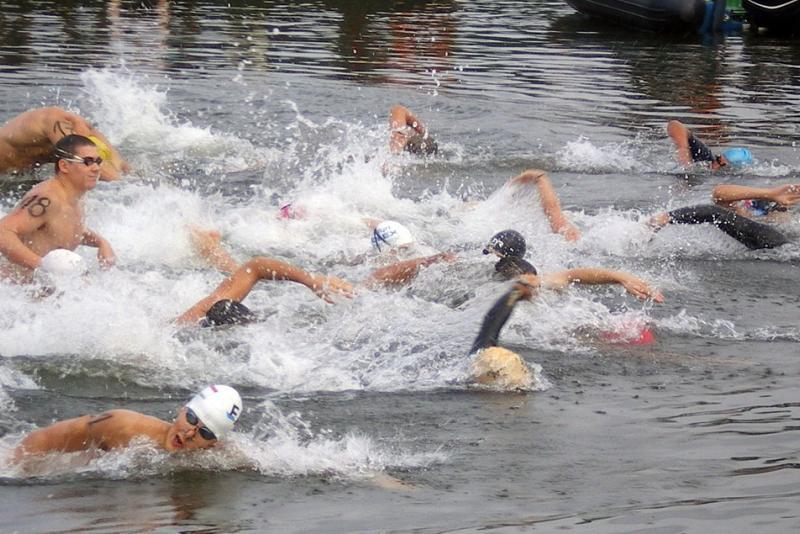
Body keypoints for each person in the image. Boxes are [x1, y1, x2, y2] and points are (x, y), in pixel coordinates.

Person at [180, 223, 454, 326]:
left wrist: (313, 281)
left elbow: (255, 266)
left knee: (233, 274)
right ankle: (207, 245)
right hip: (283, 309)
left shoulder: (186, 322)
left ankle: (207, 245)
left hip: (278, 304)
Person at [469, 259, 664, 389]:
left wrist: (620, 277)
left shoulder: (537, 287)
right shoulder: (485, 294)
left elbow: (571, 275)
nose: (533, 286)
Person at [0, 134, 116, 283]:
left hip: (41, 291)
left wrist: (101, 242)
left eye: (98, 161)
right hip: (14, 292)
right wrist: (42, 266)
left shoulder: (76, 196)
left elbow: (63, 229)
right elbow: (3, 232)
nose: (96, 168)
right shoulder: (47, 198)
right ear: (64, 166)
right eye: (87, 162)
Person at [13, 385, 242, 459]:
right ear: (182, 410)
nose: (190, 433)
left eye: (206, 433)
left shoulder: (216, 457)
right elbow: (47, 438)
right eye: (191, 418)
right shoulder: (122, 425)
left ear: (213, 443)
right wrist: (12, 463)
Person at [647, 183, 800, 250]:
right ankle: (664, 219)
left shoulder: (781, 223)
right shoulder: (741, 215)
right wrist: (769, 194)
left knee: (715, 213)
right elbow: (719, 193)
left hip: (781, 246)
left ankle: (665, 218)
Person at [0, 107, 130, 181]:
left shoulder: (89, 130)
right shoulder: (53, 122)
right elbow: (110, 176)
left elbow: (121, 167)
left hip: (17, 175)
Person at [667, 119, 753, 170]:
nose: (715, 165)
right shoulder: (705, 156)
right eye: (718, 159)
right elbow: (674, 125)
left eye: (722, 165)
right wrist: (683, 149)